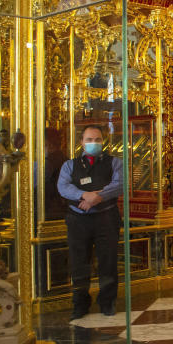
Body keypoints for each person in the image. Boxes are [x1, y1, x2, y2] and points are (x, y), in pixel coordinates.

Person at [57, 124, 123, 320]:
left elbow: (119, 184)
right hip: (78, 220)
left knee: (108, 262)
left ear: (103, 142)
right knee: (79, 263)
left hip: (107, 218)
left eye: (97, 140)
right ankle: (80, 304)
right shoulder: (70, 165)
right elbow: (63, 186)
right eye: (89, 140)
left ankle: (107, 302)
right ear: (81, 143)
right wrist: (84, 195)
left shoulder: (115, 162)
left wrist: (97, 197)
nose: (93, 143)